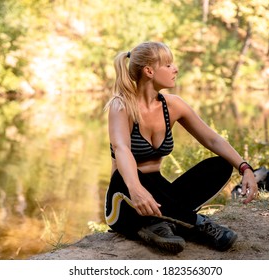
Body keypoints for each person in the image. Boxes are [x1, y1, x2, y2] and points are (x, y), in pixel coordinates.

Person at [104, 41, 258, 254]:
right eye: (168, 65)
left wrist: (245, 168)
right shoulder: (121, 105)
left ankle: (158, 224)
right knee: (135, 176)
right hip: (125, 196)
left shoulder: (173, 105)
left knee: (220, 166)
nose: (175, 68)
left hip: (158, 195)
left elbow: (212, 140)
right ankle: (198, 224)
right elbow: (121, 149)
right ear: (149, 71)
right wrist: (136, 189)